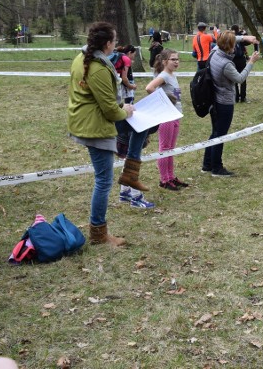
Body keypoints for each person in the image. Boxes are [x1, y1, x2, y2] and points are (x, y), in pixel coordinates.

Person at [67, 22, 134, 246]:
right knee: (104, 181)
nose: (116, 45)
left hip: (86, 122)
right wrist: (125, 110)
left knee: (102, 178)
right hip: (95, 127)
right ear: (107, 44)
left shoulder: (81, 59)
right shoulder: (96, 67)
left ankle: (98, 230)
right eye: (115, 42)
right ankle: (98, 233)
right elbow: (109, 109)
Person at [201, 31, 260, 175]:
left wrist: (245, 38)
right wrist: (251, 62)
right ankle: (217, 167)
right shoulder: (226, 64)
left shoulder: (215, 51)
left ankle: (207, 164)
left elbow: (226, 40)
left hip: (214, 99)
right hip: (224, 102)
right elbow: (240, 78)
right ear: (231, 46)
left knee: (215, 132)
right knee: (221, 134)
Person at [111, 45, 155, 209]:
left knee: (129, 152)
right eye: (134, 56)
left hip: (119, 106)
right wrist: (130, 87)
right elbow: (123, 77)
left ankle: (125, 192)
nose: (134, 59)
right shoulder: (123, 59)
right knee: (132, 152)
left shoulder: (110, 59)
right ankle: (135, 196)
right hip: (121, 108)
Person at [143, 48, 186, 191]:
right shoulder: (164, 76)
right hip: (166, 117)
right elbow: (149, 88)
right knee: (165, 148)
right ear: (165, 61)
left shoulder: (172, 75)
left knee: (171, 149)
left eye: (177, 59)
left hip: (175, 115)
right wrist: (164, 100)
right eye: (173, 59)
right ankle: (164, 179)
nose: (176, 62)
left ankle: (171, 176)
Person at [230, 25, 249, 103]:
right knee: (243, 79)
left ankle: (236, 97)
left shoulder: (231, 37)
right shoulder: (240, 37)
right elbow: (248, 42)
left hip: (233, 60)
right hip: (240, 60)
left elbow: (247, 43)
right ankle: (242, 97)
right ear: (238, 29)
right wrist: (245, 34)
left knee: (234, 79)